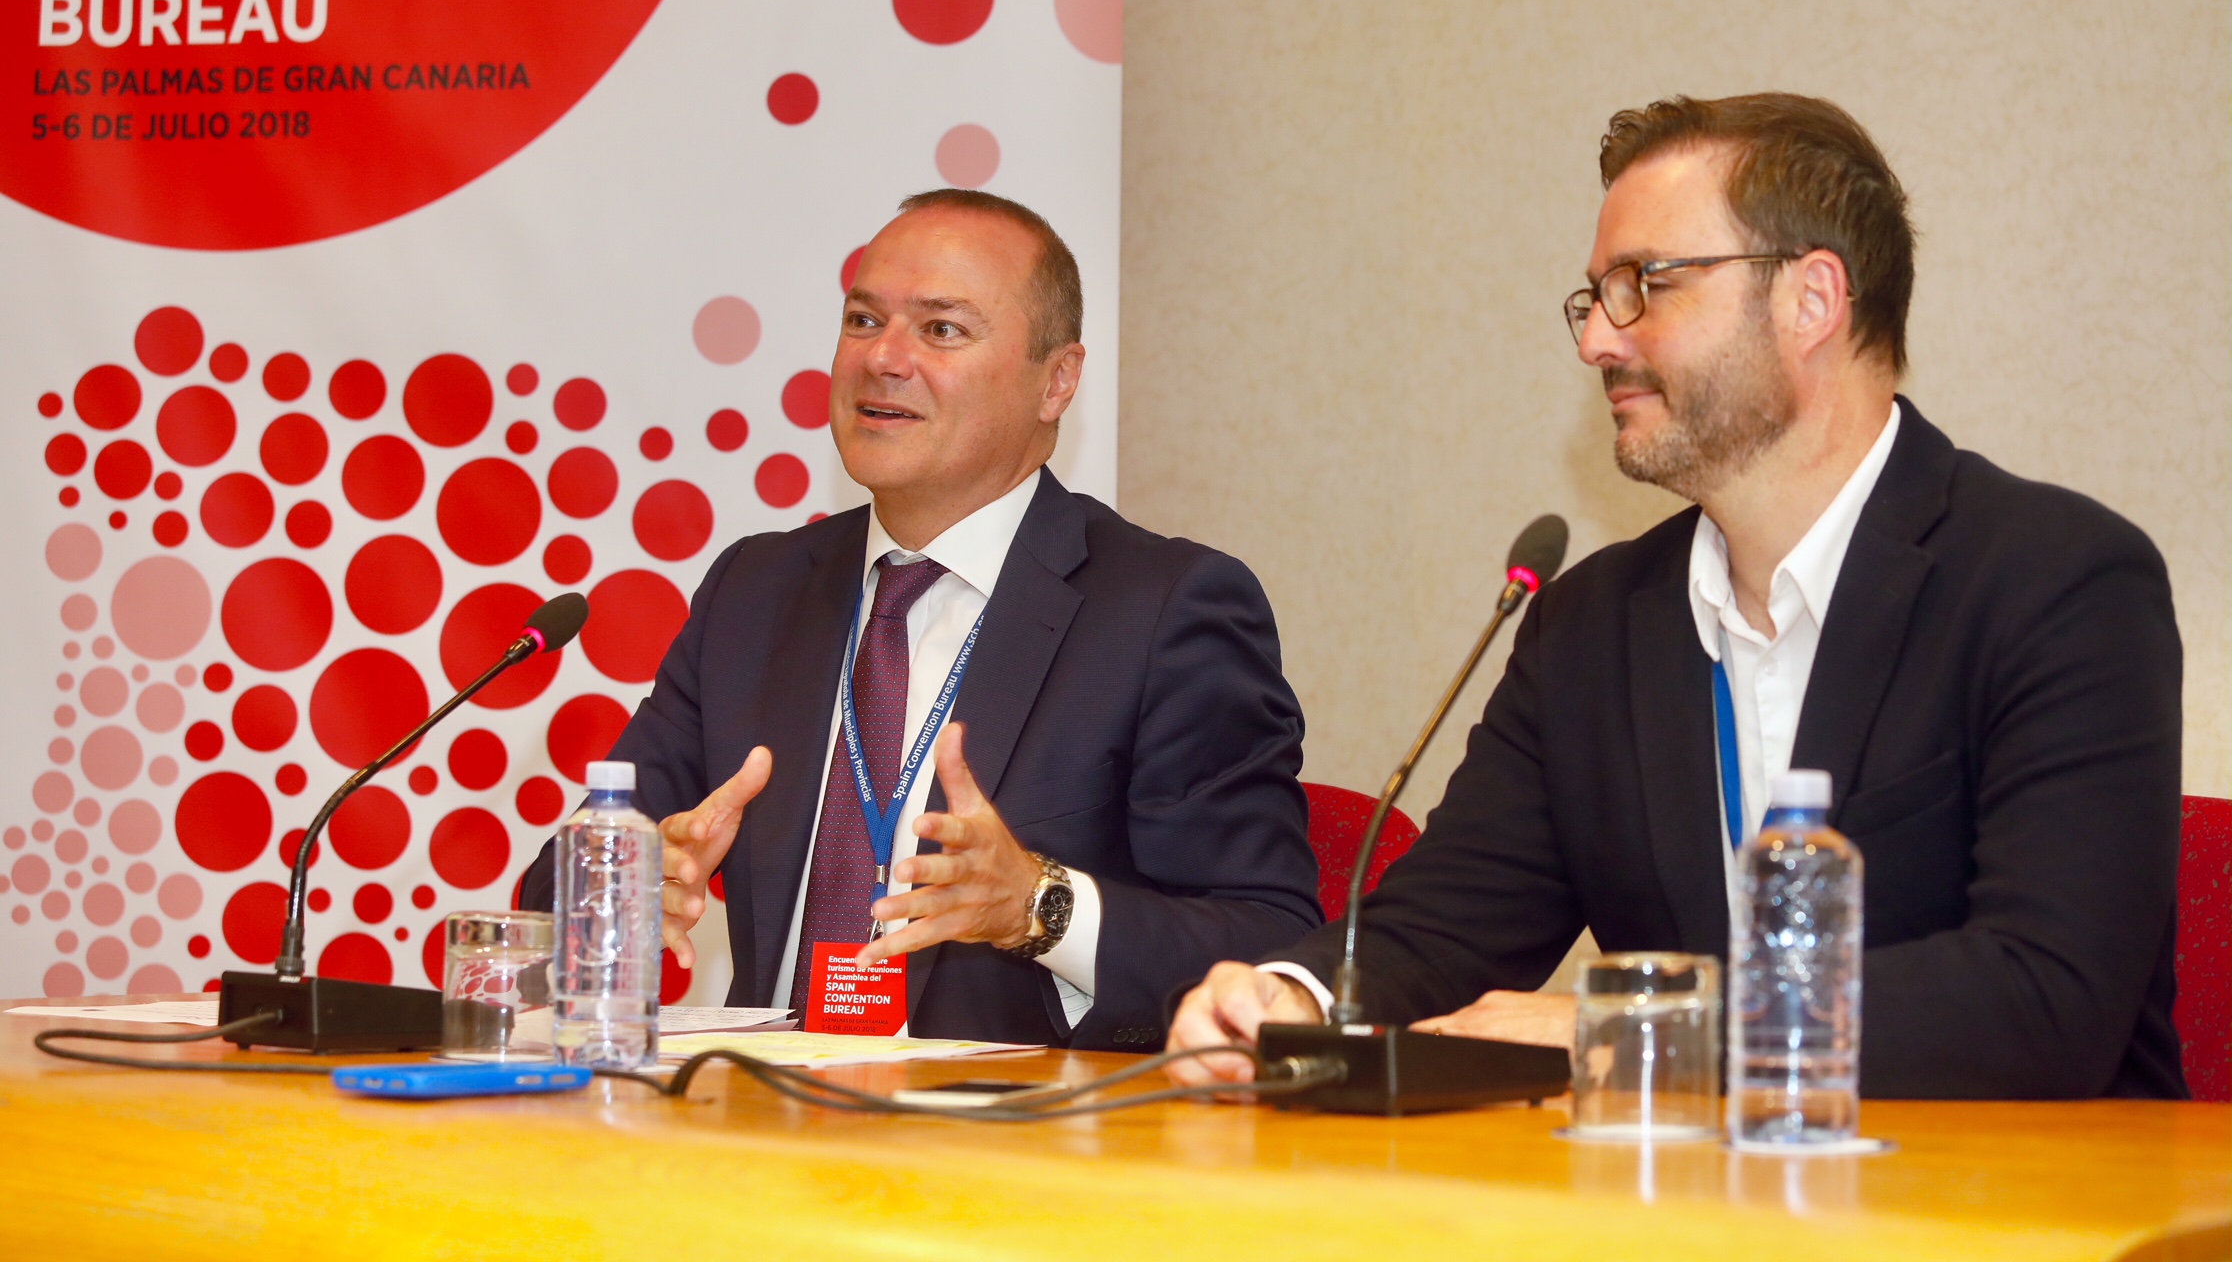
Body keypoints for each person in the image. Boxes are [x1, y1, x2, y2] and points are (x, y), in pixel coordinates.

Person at [1168, 93, 2186, 1099]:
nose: (1597, 343)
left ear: (1813, 300)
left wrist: (1627, 1031)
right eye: (1595, 297)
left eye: (1645, 286)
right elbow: (1447, 926)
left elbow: (2046, 999)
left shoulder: (2058, 581)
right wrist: (1292, 999)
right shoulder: (1589, 626)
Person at [526, 189, 1320, 1051]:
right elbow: (542, 915)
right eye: (863, 320)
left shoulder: (1165, 608)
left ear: (1056, 381)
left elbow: (1268, 946)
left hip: (1015, 1153)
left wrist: (1036, 907)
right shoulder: (756, 592)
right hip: (754, 1137)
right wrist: (629, 887)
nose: (883, 359)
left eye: (941, 330)